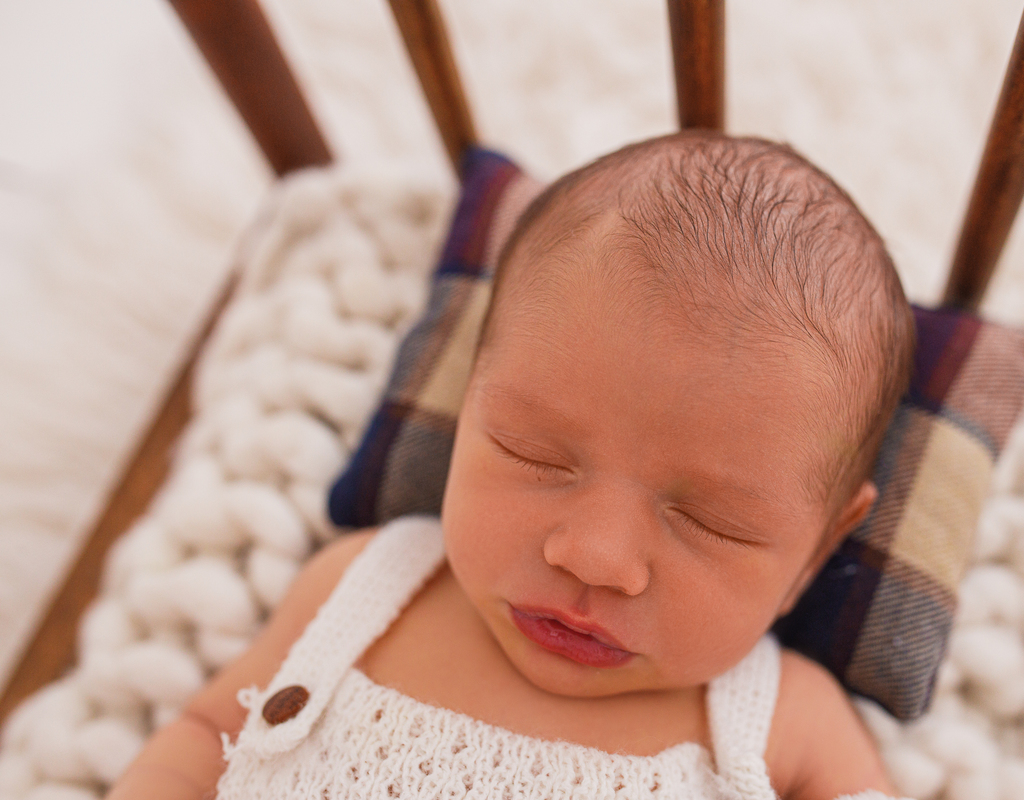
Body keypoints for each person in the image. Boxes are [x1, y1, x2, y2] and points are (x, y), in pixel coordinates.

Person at [106, 131, 915, 800]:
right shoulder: (363, 588)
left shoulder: (782, 723)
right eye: (536, 455)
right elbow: (207, 733)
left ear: (817, 552)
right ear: (469, 408)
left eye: (710, 521)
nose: (595, 556)